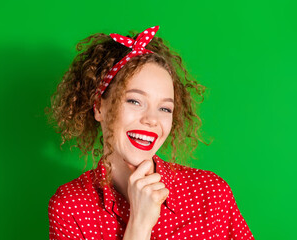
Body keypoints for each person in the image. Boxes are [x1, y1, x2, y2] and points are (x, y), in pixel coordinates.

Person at [45, 26, 255, 240]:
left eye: (164, 108)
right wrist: (139, 225)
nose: (152, 120)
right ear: (99, 107)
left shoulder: (211, 193)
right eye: (135, 101)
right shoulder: (71, 207)